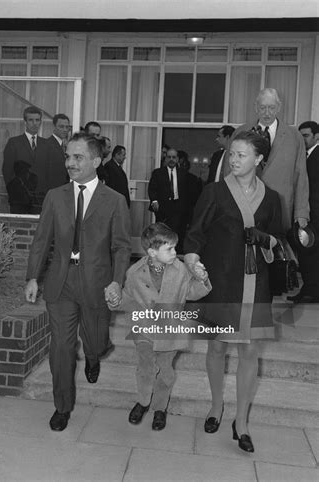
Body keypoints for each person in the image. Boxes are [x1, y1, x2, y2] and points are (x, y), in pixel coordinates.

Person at [25, 132, 132, 432]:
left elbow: (122, 246)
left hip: (97, 283)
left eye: (78, 157)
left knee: (95, 340)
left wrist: (117, 282)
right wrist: (33, 276)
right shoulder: (55, 196)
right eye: (68, 157)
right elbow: (41, 240)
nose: (70, 163)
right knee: (61, 346)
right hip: (61, 282)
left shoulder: (115, 201)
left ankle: (95, 355)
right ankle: (62, 406)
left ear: (96, 161)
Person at [184, 130, 283, 454]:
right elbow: (195, 233)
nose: (234, 159)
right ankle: (215, 406)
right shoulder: (214, 192)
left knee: (250, 351)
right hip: (222, 282)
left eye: (242, 155)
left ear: (258, 159)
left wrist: (265, 239)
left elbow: (279, 241)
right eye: (232, 154)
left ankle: (241, 422)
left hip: (257, 284)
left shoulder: (272, 198)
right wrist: (192, 258)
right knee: (216, 349)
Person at [108, 222, 211, 430]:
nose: (175, 252)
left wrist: (202, 279)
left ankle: (160, 408)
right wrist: (115, 299)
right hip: (143, 329)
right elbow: (128, 300)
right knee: (145, 367)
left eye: (175, 247)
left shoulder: (181, 270)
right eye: (170, 249)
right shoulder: (135, 273)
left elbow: (190, 292)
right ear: (152, 252)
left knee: (165, 371)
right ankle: (143, 401)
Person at [228, 88, 309, 231]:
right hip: (244, 206)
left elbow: (301, 176)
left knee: (277, 249)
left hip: (281, 210)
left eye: (271, 108)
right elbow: (228, 171)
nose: (267, 113)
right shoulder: (240, 133)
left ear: (278, 107)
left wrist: (301, 212)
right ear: (255, 107)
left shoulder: (294, 137)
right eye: (262, 107)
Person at [288, 121, 319, 303]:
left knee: (310, 254)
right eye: (300, 136)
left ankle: (311, 291)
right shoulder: (306, 156)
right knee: (308, 255)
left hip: (313, 215)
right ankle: (310, 289)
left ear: (316, 136)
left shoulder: (316, 156)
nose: (302, 139)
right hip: (307, 213)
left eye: (306, 136)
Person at [2, 106, 50, 213]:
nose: (34, 123)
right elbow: (7, 171)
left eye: (37, 120)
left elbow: (49, 172)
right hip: (19, 200)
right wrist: (15, 193)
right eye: (31, 120)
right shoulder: (14, 143)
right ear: (25, 122)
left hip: (41, 199)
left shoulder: (46, 145)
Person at [148, 148, 195, 253]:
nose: (171, 159)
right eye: (169, 157)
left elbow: (189, 193)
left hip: (179, 208)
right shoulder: (158, 173)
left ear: (177, 159)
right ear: (165, 158)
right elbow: (152, 188)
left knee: (178, 233)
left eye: (174, 157)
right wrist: (154, 201)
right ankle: (161, 253)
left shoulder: (184, 174)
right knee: (162, 234)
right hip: (163, 208)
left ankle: (176, 254)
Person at [46, 113, 71, 188]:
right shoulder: (47, 145)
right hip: (53, 189)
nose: (65, 130)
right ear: (53, 127)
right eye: (61, 126)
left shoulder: (67, 146)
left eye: (67, 127)